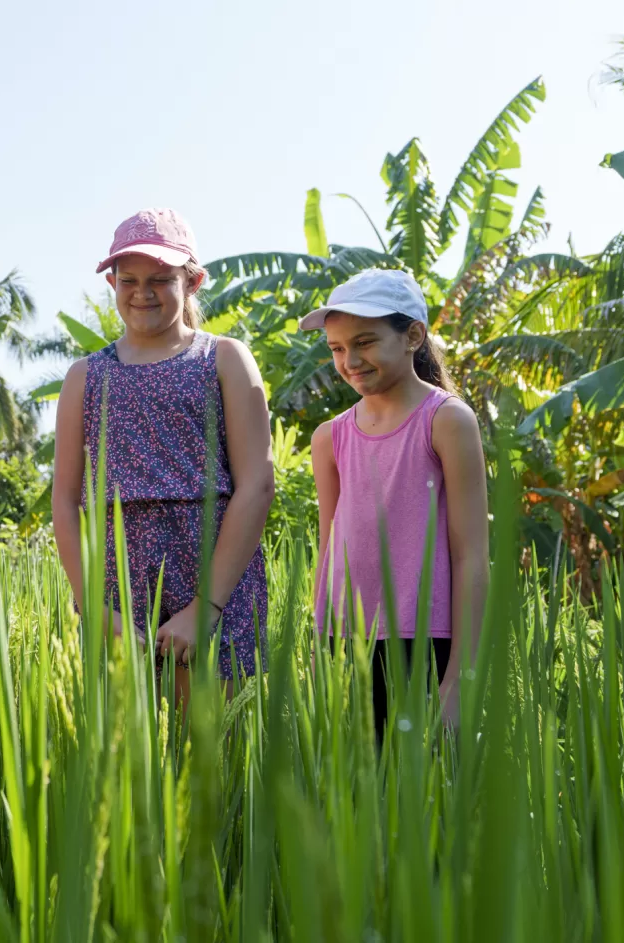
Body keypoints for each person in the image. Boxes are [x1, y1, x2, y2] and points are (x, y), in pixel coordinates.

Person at [52, 209, 276, 692]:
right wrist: (92, 603)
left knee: (215, 744)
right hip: (117, 582)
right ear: (112, 282)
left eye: (160, 279)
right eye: (127, 279)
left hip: (214, 567)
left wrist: (206, 607)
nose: (142, 292)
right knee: (127, 749)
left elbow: (257, 483)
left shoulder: (224, 358)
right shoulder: (86, 376)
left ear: (192, 281)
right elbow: (65, 501)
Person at [305, 268, 489, 734]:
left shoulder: (446, 421)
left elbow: (472, 557)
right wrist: (315, 648)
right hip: (343, 643)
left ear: (412, 336)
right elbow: (329, 550)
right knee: (352, 798)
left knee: (423, 798)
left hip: (424, 642)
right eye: (337, 349)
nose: (350, 360)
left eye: (364, 342)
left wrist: (459, 681)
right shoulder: (330, 437)